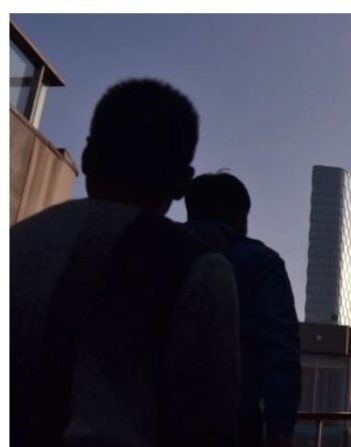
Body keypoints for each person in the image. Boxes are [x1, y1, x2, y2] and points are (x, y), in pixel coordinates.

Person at [10, 79, 241, 447]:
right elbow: (211, 423)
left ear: (87, 157)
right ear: (183, 183)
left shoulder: (17, 247)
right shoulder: (199, 271)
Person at [184, 172, 301, 447]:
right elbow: (280, 349)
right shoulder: (262, 263)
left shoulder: (154, 249)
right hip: (233, 418)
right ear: (240, 217)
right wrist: (280, 428)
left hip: (146, 419)